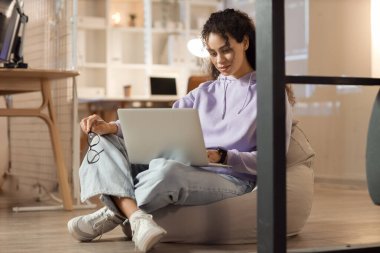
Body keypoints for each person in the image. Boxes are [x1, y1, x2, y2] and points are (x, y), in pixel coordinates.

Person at [67, 8, 294, 252]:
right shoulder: (203, 92)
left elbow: (273, 160)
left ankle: (113, 212)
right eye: (213, 53)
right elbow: (161, 122)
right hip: (184, 164)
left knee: (167, 170)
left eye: (226, 50)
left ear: (245, 42)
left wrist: (224, 155)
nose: (220, 61)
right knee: (103, 140)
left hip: (231, 177)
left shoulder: (270, 93)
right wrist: (111, 127)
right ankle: (136, 218)